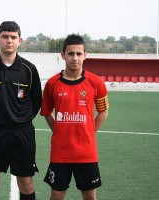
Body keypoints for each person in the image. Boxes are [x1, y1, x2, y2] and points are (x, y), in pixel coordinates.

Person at [0, 21, 42, 200]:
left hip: (23, 132)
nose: (9, 41)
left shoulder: (29, 69)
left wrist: (22, 118)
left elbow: (36, 101)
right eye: (5, 37)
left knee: (26, 183)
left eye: (13, 37)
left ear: (20, 40)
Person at [40, 34, 109, 200]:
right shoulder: (52, 83)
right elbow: (47, 112)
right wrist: (58, 130)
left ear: (85, 55)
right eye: (70, 54)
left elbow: (103, 112)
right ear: (63, 55)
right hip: (60, 152)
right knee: (57, 194)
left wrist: (90, 131)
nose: (75, 58)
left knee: (89, 194)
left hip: (87, 152)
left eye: (79, 54)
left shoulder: (95, 82)